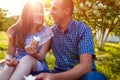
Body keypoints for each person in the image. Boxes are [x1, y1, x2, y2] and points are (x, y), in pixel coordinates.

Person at [35, 0, 107, 80]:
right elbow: (37, 53)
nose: (51, 13)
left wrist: (54, 77)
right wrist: (36, 29)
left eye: (54, 9)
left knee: (95, 78)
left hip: (82, 75)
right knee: (37, 75)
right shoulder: (50, 32)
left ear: (66, 11)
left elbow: (86, 67)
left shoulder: (82, 30)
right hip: (59, 71)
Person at [0, 1, 53, 80]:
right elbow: (10, 54)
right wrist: (9, 60)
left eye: (41, 11)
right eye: (36, 11)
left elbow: (41, 57)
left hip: (37, 63)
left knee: (27, 58)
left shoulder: (46, 31)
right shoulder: (15, 30)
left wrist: (34, 54)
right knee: (10, 67)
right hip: (18, 60)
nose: (40, 14)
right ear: (27, 13)